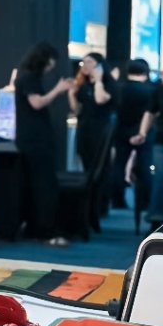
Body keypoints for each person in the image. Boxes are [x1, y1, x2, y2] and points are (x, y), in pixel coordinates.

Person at [13, 42, 71, 246]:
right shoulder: (29, 78)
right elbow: (37, 102)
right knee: (44, 185)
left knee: (36, 184)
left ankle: (35, 227)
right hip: (35, 140)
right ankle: (45, 229)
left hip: (31, 138)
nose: (52, 67)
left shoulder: (25, 76)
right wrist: (58, 90)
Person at [69, 51, 118, 226]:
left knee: (101, 170)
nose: (85, 66)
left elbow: (100, 100)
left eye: (90, 62)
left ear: (99, 65)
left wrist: (98, 80)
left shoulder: (108, 84)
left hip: (101, 130)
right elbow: (76, 109)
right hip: (84, 129)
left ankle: (100, 207)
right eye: (84, 63)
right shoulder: (82, 84)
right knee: (86, 167)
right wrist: (71, 94)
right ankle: (88, 208)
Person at [133, 52, 163, 229]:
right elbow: (150, 113)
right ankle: (156, 221)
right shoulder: (160, 90)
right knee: (162, 179)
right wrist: (142, 133)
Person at [111, 59, 153, 211]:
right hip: (144, 131)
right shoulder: (151, 90)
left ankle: (117, 200)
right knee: (146, 166)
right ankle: (145, 202)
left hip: (122, 130)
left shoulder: (119, 88)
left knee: (119, 165)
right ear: (145, 72)